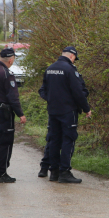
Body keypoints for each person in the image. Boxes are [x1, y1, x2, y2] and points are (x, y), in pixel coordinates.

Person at [38, 46, 91, 184]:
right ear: (72, 56)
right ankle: (65, 172)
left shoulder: (50, 69)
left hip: (53, 111)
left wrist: (51, 99)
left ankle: (54, 172)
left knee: (54, 140)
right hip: (68, 111)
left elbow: (43, 90)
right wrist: (86, 108)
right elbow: (78, 92)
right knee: (68, 140)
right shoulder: (69, 70)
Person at [0, 48, 27, 183]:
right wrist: (21, 114)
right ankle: (1, 173)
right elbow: (13, 97)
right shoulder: (6, 74)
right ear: (11, 59)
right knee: (5, 143)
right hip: (4, 113)